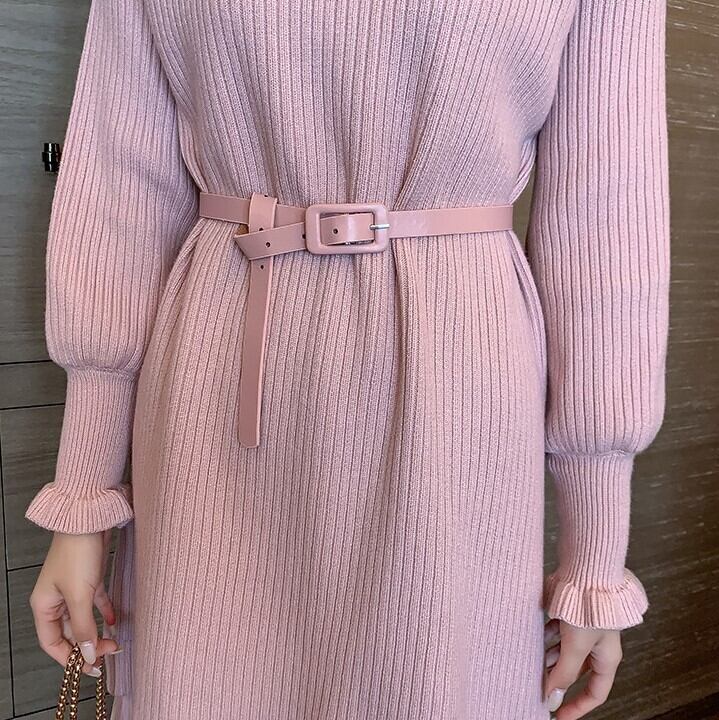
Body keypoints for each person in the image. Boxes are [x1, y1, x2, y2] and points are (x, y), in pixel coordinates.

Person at [25, 0, 670, 718]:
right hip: (220, 396)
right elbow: (121, 185)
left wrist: (594, 553)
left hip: (454, 403)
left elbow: (604, 224)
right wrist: (82, 495)